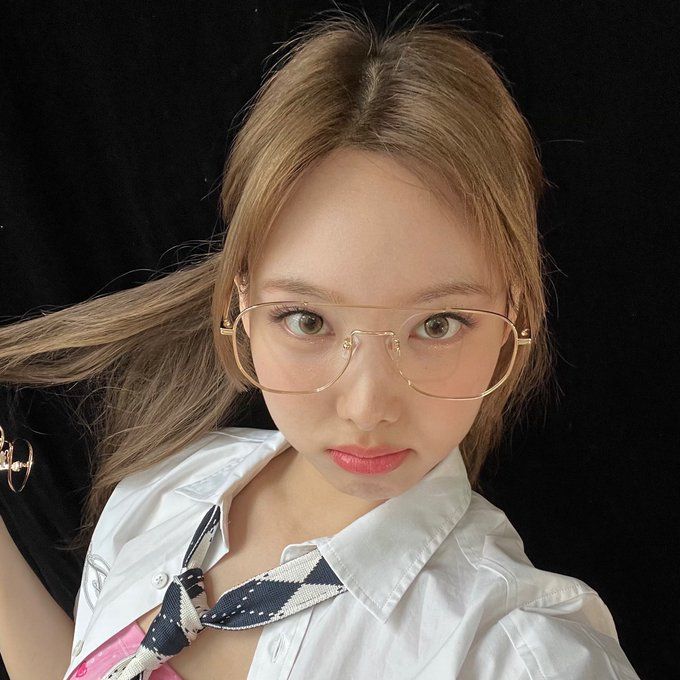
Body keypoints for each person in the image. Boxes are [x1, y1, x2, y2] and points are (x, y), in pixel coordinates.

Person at [0, 9, 641, 680]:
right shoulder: (164, 490)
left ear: (513, 314)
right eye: (307, 321)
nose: (367, 408)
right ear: (243, 304)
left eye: (438, 324)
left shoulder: (521, 656)